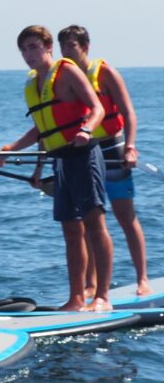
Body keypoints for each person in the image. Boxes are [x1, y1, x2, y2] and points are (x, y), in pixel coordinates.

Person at [0, 25, 111, 312]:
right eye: (23, 49)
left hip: (84, 155)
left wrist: (87, 129)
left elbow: (97, 108)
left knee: (95, 226)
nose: (28, 54)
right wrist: (13, 150)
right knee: (70, 232)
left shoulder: (67, 71)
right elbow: (42, 129)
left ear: (48, 47)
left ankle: (102, 296)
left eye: (33, 47)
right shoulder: (33, 84)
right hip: (60, 160)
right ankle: (75, 298)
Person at [59, 25, 149, 297]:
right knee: (90, 220)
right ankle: (91, 284)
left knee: (124, 216)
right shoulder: (64, 77)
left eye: (71, 47)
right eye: (63, 49)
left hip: (112, 148)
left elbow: (128, 113)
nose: (67, 54)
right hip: (84, 154)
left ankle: (142, 278)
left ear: (85, 46)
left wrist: (131, 148)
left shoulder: (104, 73)